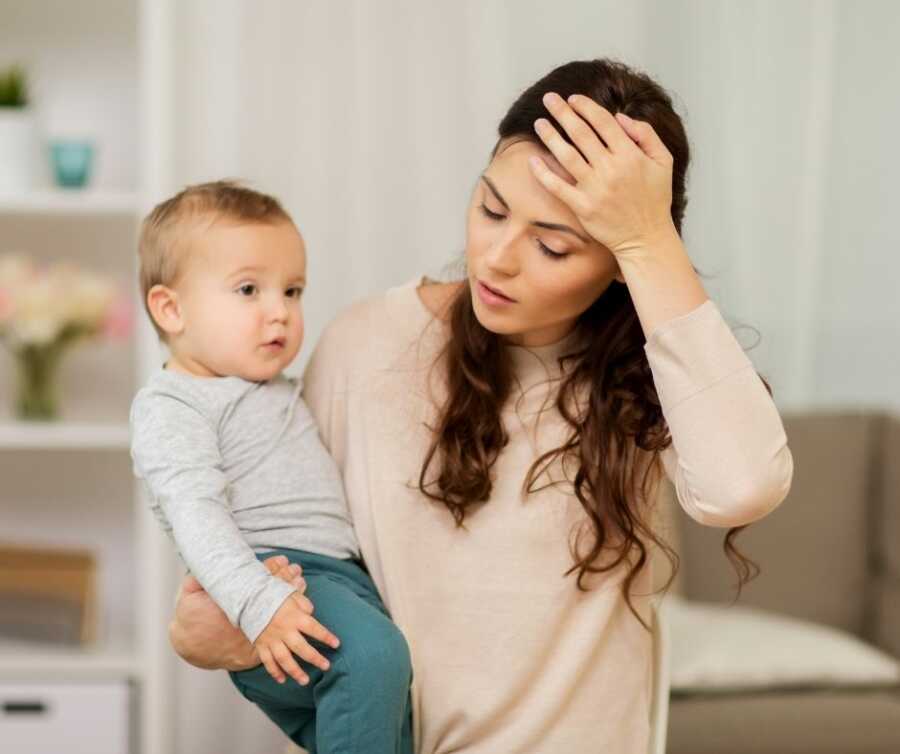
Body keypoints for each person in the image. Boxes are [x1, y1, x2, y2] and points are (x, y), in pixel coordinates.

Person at [168, 58, 794, 753]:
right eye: (492, 208)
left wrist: (648, 240)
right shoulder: (366, 345)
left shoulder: (652, 373)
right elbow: (312, 574)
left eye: (553, 246)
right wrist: (229, 642)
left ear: (619, 261)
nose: (495, 259)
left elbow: (742, 486)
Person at [129, 181, 413, 754]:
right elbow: (195, 514)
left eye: (293, 290)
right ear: (171, 308)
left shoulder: (277, 389)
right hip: (273, 581)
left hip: (339, 581)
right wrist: (260, 603)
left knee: (391, 720)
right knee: (376, 656)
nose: (279, 311)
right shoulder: (172, 404)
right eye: (249, 289)